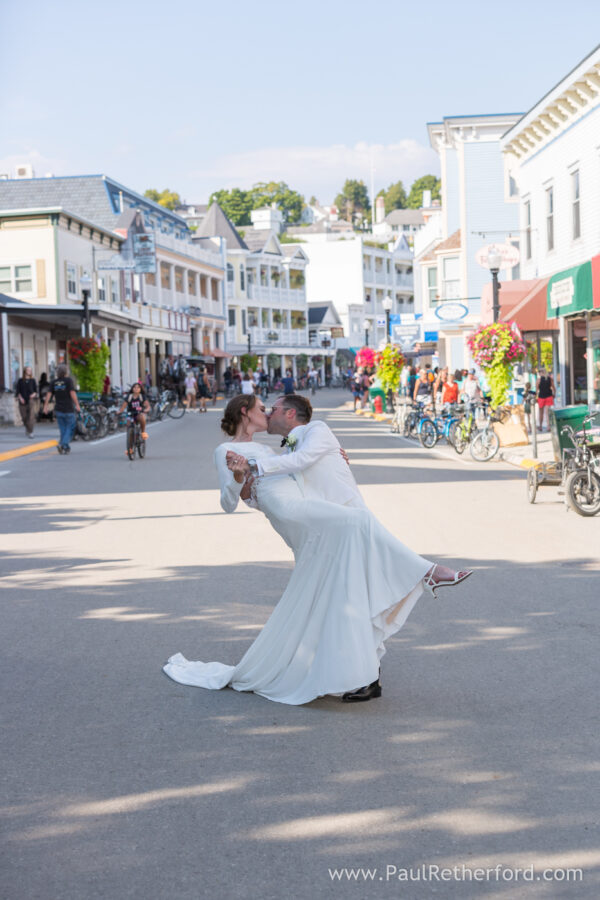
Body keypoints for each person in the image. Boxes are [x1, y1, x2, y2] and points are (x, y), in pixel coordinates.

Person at [163, 394, 472, 706]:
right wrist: (239, 476)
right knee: (358, 521)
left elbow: (300, 467)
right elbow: (229, 502)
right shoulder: (226, 451)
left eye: (271, 409)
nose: (267, 413)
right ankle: (426, 572)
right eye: (262, 409)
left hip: (306, 508)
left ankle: (364, 674)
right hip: (289, 510)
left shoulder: (271, 450)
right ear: (245, 412)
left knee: (345, 588)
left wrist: (333, 457)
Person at [43, 365, 81, 454]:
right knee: (70, 427)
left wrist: (45, 406)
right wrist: (77, 404)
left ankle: (65, 447)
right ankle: (62, 444)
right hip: (68, 408)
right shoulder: (68, 381)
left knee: (63, 429)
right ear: (66, 372)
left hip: (59, 409)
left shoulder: (54, 382)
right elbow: (72, 392)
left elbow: (49, 394)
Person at [15, 366, 38, 439]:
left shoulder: (33, 380)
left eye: (30, 370)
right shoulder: (20, 380)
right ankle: (27, 428)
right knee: (24, 417)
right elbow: (18, 391)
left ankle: (31, 432)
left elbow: (36, 391)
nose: (29, 371)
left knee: (31, 417)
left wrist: (33, 394)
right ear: (25, 371)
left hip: (30, 400)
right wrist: (20, 398)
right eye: (28, 370)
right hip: (22, 401)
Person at [536, 366, 555, 431]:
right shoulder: (550, 379)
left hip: (541, 397)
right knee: (547, 413)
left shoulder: (538, 380)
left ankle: (540, 426)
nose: (539, 373)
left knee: (541, 413)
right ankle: (548, 427)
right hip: (549, 396)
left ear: (541, 372)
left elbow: (537, 390)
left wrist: (536, 398)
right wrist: (554, 394)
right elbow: (553, 388)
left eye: (539, 372)